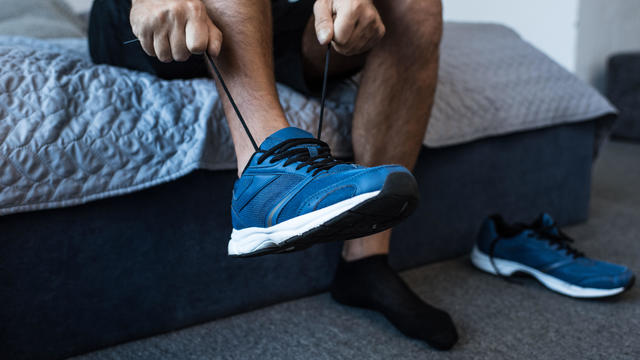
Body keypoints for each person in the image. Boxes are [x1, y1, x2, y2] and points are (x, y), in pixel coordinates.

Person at [88, 0, 458, 350]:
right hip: (154, 25)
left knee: (415, 6)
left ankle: (365, 263)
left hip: (262, 22)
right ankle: (265, 176)